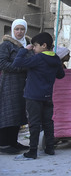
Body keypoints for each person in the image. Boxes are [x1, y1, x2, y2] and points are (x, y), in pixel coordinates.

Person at [11, 32, 65, 160]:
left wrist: (24, 50)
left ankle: (32, 151)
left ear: (44, 45)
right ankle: (50, 148)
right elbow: (61, 75)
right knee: (48, 122)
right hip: (47, 96)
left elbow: (16, 63)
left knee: (34, 123)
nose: (33, 48)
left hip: (33, 96)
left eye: (35, 46)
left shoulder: (38, 58)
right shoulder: (55, 58)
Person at [0, 19, 30, 155]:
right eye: (17, 29)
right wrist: (21, 68)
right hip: (9, 83)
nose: (19, 32)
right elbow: (3, 63)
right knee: (8, 113)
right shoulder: (6, 44)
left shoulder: (27, 44)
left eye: (22, 29)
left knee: (18, 112)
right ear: (13, 30)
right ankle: (4, 144)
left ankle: (13, 142)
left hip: (23, 83)